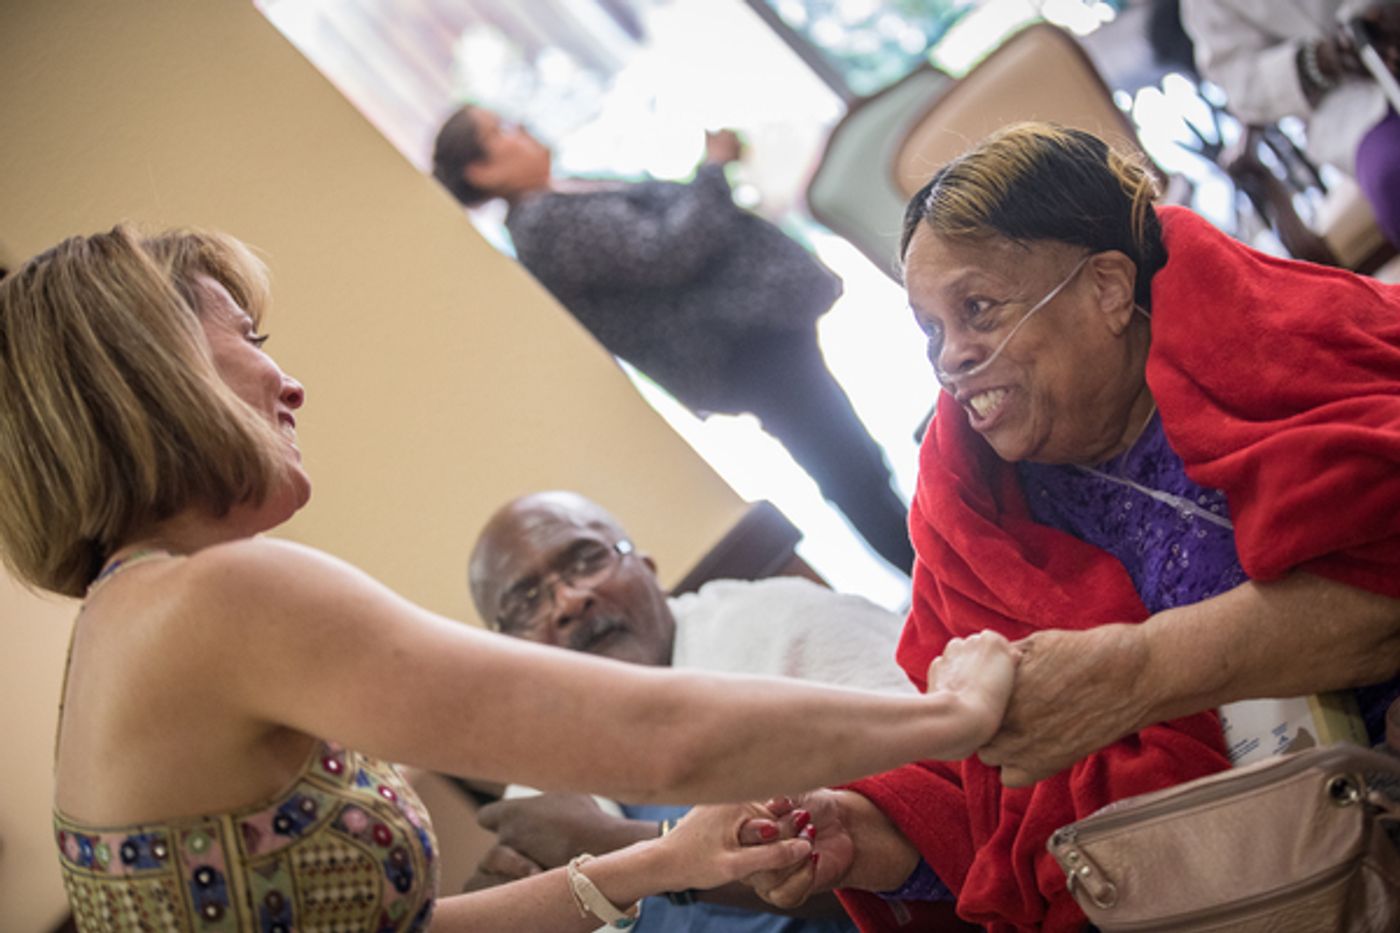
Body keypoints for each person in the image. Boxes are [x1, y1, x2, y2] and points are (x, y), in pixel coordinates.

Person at [0, 224, 1019, 932]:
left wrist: (657, 863)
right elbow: (656, 736)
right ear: (156, 378)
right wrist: (951, 717)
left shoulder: (123, 620)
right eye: (249, 345)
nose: (288, 380)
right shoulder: (221, 599)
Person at [735, 123, 1400, 932]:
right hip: (1237, 877)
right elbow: (992, 796)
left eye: (977, 308)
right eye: (933, 330)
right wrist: (869, 831)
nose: (952, 358)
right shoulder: (969, 514)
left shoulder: (1287, 342)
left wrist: (1140, 671)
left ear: (1109, 289)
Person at [430, 105, 916, 573]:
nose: (523, 130)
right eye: (501, 131)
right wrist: (713, 168)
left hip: (756, 337)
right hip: (739, 350)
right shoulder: (543, 226)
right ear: (481, 173)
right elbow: (664, 251)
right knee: (851, 470)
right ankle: (940, 579)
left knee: (854, 462)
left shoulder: (558, 198)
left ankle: (939, 567)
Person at [463, 490, 915, 932]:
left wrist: (611, 846)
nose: (568, 601)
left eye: (586, 560)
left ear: (648, 570)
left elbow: (933, 824)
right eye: (525, 601)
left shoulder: (788, 622)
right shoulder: (537, 793)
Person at [1180, 0, 1400, 247]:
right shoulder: (1202, 7)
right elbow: (1244, 85)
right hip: (1351, 107)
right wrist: (1322, 59)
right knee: (1391, 174)